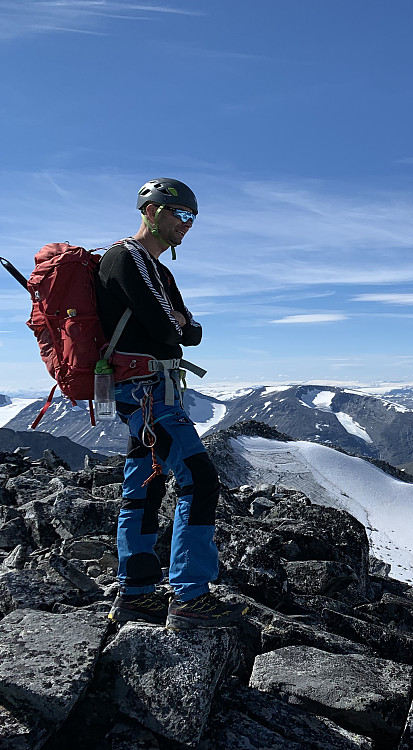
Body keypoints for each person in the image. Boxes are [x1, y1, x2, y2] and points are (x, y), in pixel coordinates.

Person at [98, 178, 245, 629]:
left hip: (150, 390)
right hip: (145, 392)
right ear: (150, 211)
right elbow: (169, 329)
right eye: (179, 214)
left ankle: (138, 593)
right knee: (198, 480)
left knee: (144, 485)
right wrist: (176, 322)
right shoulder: (128, 258)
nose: (187, 224)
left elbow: (191, 332)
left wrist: (178, 322)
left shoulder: (160, 271)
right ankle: (189, 596)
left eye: (192, 217)